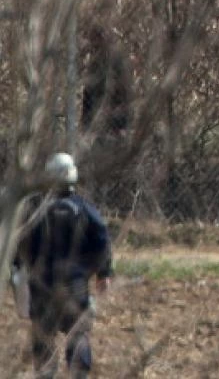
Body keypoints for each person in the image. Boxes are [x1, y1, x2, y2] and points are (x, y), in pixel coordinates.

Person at [16, 153, 114, 379]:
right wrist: (104, 272)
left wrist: (17, 269)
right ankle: (79, 374)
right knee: (77, 333)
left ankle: (45, 373)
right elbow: (102, 241)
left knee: (43, 336)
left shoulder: (34, 209)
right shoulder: (83, 208)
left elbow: (19, 243)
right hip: (75, 285)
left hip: (41, 284)